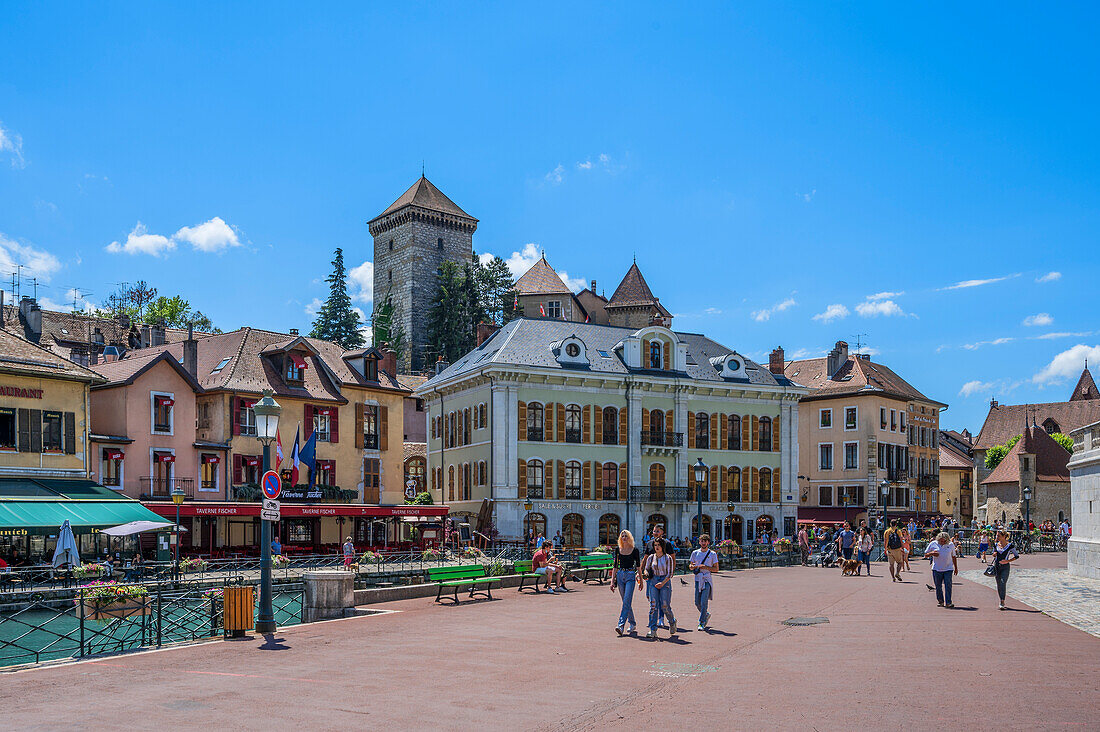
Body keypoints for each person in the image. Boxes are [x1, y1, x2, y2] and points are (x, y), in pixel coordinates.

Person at [644, 538, 676, 638]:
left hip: (665, 581)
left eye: (659, 545)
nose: (657, 547)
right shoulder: (651, 557)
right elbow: (646, 568)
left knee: (665, 605)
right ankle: (652, 629)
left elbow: (670, 573)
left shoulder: (668, 558)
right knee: (653, 605)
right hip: (653, 580)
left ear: (663, 547)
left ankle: (672, 622)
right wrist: (645, 573)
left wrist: (662, 583)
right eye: (655, 545)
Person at [611, 529, 642, 635]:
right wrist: (612, 581)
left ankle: (620, 625)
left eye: (626, 536)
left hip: (630, 575)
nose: (624, 538)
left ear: (630, 538)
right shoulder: (617, 550)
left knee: (626, 601)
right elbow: (615, 566)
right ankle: (632, 623)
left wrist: (641, 581)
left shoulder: (635, 550)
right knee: (626, 602)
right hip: (620, 575)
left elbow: (638, 567)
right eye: (622, 536)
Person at [689, 534, 718, 630]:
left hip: (706, 579)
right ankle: (706, 614)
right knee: (697, 602)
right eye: (702, 541)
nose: (703, 543)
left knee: (704, 601)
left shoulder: (712, 554)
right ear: (699, 542)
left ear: (708, 542)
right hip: (698, 579)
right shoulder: (695, 553)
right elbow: (690, 565)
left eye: (705, 541)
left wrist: (705, 567)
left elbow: (716, 569)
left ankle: (701, 622)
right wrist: (692, 567)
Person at [924, 532, 958, 608]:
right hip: (936, 568)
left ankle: (948, 602)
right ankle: (941, 601)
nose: (942, 542)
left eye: (944, 541)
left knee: (948, 585)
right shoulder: (933, 543)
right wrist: (932, 553)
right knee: (938, 586)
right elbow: (925, 554)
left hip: (948, 568)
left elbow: (954, 556)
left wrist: (956, 568)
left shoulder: (951, 544)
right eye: (941, 541)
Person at [991, 530, 1020, 610]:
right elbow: (993, 553)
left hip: (1005, 566)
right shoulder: (996, 544)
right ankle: (1001, 599)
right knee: (999, 584)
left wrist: (1008, 561)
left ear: (1004, 537)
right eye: (997, 536)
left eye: (999, 536)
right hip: (997, 566)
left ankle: (1002, 601)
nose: (997, 537)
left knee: (1003, 582)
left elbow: (1016, 556)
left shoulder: (1010, 546)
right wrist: (994, 554)